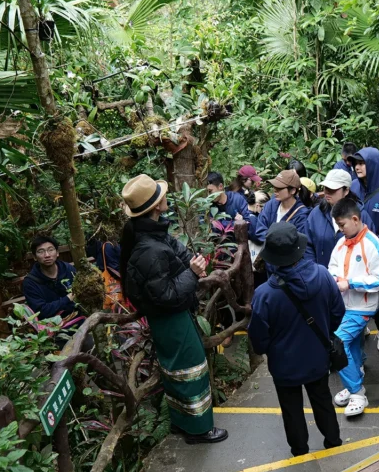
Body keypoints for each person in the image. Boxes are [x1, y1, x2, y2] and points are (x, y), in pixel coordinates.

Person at [119, 174, 227, 444]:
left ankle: (182, 422)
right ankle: (200, 428)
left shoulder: (153, 234)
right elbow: (166, 295)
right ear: (156, 206)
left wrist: (192, 266)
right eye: (161, 194)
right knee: (191, 370)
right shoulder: (148, 250)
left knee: (175, 371)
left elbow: (179, 256)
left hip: (169, 318)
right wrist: (192, 273)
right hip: (171, 319)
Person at [248, 222, 344, 456]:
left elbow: (258, 338)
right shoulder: (322, 275)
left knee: (291, 409)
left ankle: (299, 450)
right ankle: (333, 441)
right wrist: (324, 330)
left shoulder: (265, 294)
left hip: (284, 365)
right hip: (318, 356)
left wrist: (271, 349)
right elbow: (338, 311)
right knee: (322, 400)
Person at [328, 198, 379, 416]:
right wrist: (335, 279)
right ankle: (355, 383)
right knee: (349, 346)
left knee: (338, 343)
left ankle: (356, 392)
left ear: (355, 219)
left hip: (362, 307)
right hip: (343, 305)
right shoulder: (341, 242)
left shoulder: (373, 243)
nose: (340, 229)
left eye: (342, 225)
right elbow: (332, 266)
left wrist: (350, 283)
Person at [347, 147, 379, 351]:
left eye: (362, 163)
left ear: (374, 165)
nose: (357, 167)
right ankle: (361, 326)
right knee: (356, 288)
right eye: (355, 163)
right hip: (354, 250)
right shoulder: (352, 187)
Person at [304, 169, 375, 269]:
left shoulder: (361, 216)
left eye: (332, 189)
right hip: (321, 279)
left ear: (346, 191)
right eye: (325, 187)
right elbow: (307, 246)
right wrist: (315, 272)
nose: (327, 192)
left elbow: (371, 249)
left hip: (352, 281)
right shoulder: (316, 214)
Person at [249, 169, 310, 247]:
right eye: (274, 186)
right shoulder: (271, 205)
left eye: (280, 188)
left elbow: (299, 242)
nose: (275, 190)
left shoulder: (302, 215)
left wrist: (272, 240)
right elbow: (260, 230)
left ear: (293, 190)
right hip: (269, 255)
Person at [23, 235, 77, 320]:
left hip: (77, 317)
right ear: (34, 257)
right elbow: (41, 311)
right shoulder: (30, 283)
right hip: (51, 327)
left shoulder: (68, 269)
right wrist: (67, 299)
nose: (47, 255)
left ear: (57, 253)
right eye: (41, 251)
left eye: (50, 250)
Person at [206, 171, 252, 235]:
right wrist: (235, 223)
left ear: (220, 186)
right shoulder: (207, 205)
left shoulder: (237, 199)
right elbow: (210, 227)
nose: (208, 195)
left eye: (210, 191)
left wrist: (242, 222)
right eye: (206, 192)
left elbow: (249, 222)